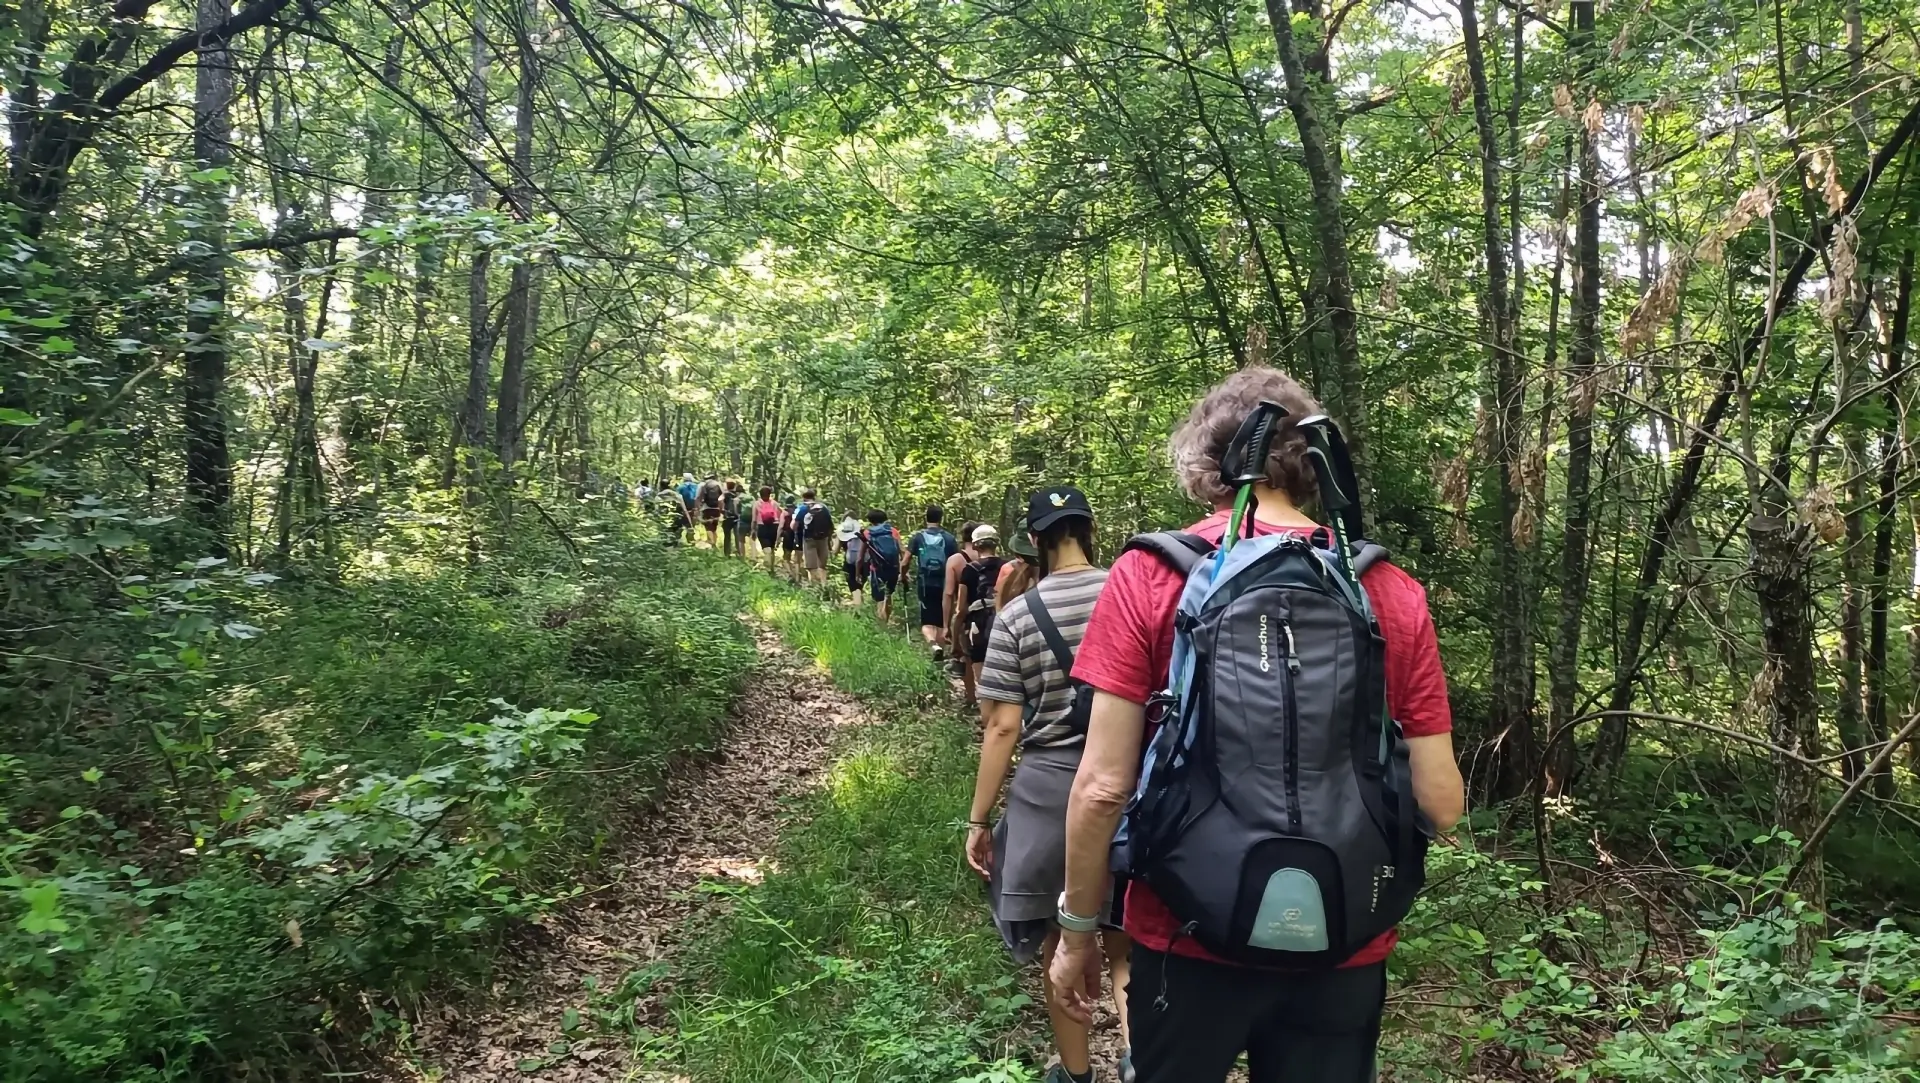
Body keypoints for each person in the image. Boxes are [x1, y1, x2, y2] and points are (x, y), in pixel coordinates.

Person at [1048, 367, 1465, 1083]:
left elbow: (1100, 786)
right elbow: (1442, 805)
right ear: (1313, 463)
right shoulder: (1387, 589)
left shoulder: (1153, 574)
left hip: (1182, 932)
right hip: (1343, 939)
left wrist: (1079, 930)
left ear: (1207, 464)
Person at [966, 486, 1129, 1083]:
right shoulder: (1131, 592)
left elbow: (1004, 725)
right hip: (1133, 781)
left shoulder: (1016, 616)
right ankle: (1141, 1059)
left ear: (1034, 541)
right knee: (1126, 937)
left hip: (1052, 791)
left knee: (1065, 934)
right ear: (1087, 530)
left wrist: (980, 819)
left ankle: (1076, 1071)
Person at [955, 524, 1006, 716]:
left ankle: (989, 723)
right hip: (1006, 623)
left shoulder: (969, 570)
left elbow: (961, 609)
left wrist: (955, 632)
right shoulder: (1008, 566)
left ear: (975, 546)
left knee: (983, 680)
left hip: (978, 625)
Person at [905, 505, 960, 660]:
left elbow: (905, 561)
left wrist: (903, 575)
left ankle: (932, 643)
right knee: (942, 621)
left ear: (926, 517)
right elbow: (957, 561)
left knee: (927, 621)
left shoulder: (918, 537)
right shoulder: (949, 538)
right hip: (944, 582)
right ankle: (940, 658)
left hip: (925, 582)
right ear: (941, 518)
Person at [862, 510, 902, 622]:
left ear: (870, 521)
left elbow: (861, 556)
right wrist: (904, 570)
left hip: (876, 569)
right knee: (888, 595)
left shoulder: (867, 533)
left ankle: (882, 624)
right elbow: (902, 550)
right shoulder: (893, 531)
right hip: (893, 568)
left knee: (879, 598)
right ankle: (887, 619)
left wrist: (858, 572)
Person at [795, 488, 835, 586]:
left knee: (811, 566)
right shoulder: (823, 507)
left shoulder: (803, 508)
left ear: (803, 498)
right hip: (823, 538)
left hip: (809, 540)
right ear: (814, 497)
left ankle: (816, 588)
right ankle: (824, 585)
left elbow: (794, 525)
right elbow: (830, 525)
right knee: (822, 566)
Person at [754, 485, 782, 572]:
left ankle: (768, 568)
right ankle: (772, 568)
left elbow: (754, 519)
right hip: (774, 527)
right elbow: (781, 516)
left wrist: (753, 530)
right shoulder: (775, 503)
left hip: (762, 527)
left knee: (767, 549)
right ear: (770, 494)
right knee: (772, 549)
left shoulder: (757, 504)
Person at [838, 515, 867, 597]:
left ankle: (858, 605)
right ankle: (860, 602)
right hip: (864, 561)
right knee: (861, 585)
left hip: (850, 562)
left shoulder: (841, 535)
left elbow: (835, 550)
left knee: (854, 585)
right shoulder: (863, 533)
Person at [698, 474, 726, 548]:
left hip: (707, 507)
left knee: (708, 526)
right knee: (714, 527)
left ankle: (711, 543)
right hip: (717, 508)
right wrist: (722, 508)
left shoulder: (705, 485)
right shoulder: (718, 484)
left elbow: (700, 497)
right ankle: (714, 543)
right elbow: (723, 495)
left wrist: (698, 507)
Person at [675, 472, 700, 545]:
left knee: (679, 527)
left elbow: (677, 499)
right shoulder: (696, 486)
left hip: (681, 510)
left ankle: (677, 543)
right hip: (693, 509)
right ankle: (691, 542)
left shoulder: (680, 487)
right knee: (690, 527)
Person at [722, 480, 745, 557]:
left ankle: (727, 553)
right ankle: (739, 552)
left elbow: (719, 500)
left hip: (727, 517)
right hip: (737, 517)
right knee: (737, 536)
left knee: (727, 536)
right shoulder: (737, 494)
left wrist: (722, 510)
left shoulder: (725, 494)